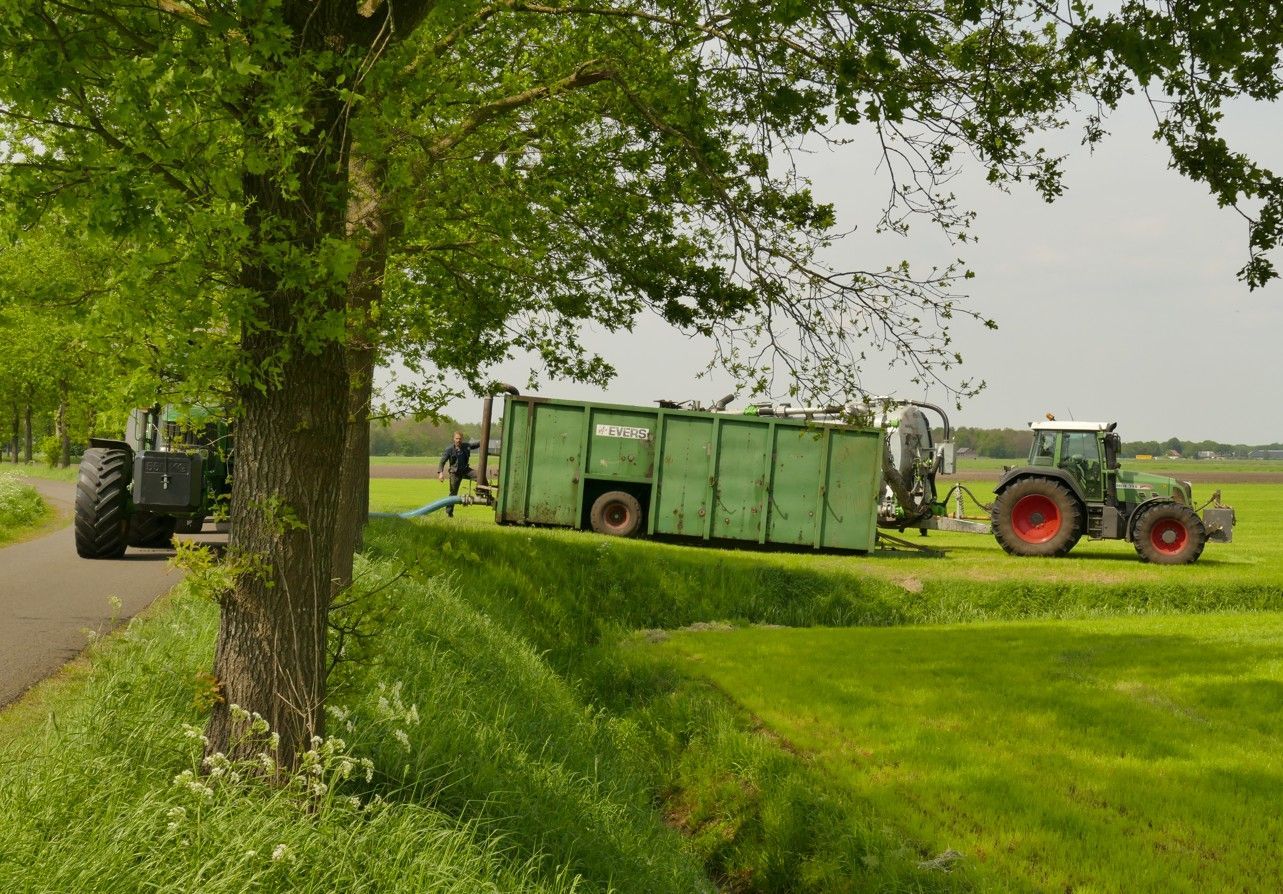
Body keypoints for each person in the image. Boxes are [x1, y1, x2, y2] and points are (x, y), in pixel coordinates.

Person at [437, 431, 474, 518]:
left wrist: (485, 440)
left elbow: (478, 444)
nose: (458, 440)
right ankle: (449, 513)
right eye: (457, 438)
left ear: (462, 439)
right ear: (454, 439)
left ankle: (484, 494)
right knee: (453, 493)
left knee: (480, 476)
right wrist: (440, 473)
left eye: (460, 438)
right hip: (455, 473)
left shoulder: (466, 446)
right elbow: (442, 462)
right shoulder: (449, 449)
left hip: (465, 470)